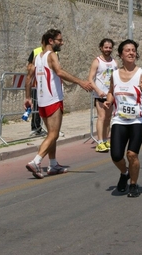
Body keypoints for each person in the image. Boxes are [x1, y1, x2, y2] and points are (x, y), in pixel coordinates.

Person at [24, 29, 93, 179]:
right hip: (53, 99)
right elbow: (60, 72)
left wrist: (28, 97)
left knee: (51, 135)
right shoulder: (52, 55)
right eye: (59, 40)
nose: (62, 43)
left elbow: (29, 78)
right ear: (51, 41)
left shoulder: (37, 57)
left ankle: (53, 164)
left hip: (41, 101)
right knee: (54, 134)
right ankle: (36, 161)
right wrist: (80, 82)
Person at [104, 39, 142, 197]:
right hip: (120, 119)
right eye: (127, 50)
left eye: (133, 50)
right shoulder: (115, 75)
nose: (131, 53)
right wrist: (109, 100)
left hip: (139, 120)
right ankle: (125, 173)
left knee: (131, 154)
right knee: (116, 155)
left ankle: (134, 184)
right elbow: (110, 91)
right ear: (121, 55)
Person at [87, 38, 118, 152]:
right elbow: (90, 79)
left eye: (110, 47)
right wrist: (98, 90)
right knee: (101, 117)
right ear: (101, 48)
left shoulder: (114, 62)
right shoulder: (97, 61)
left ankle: (105, 140)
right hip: (100, 95)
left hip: (111, 95)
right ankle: (99, 142)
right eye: (106, 47)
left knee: (108, 118)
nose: (108, 50)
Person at [26, 46, 45, 136]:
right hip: (36, 85)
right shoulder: (35, 51)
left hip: (47, 86)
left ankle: (49, 128)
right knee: (36, 107)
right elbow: (29, 67)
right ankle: (35, 128)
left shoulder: (55, 53)